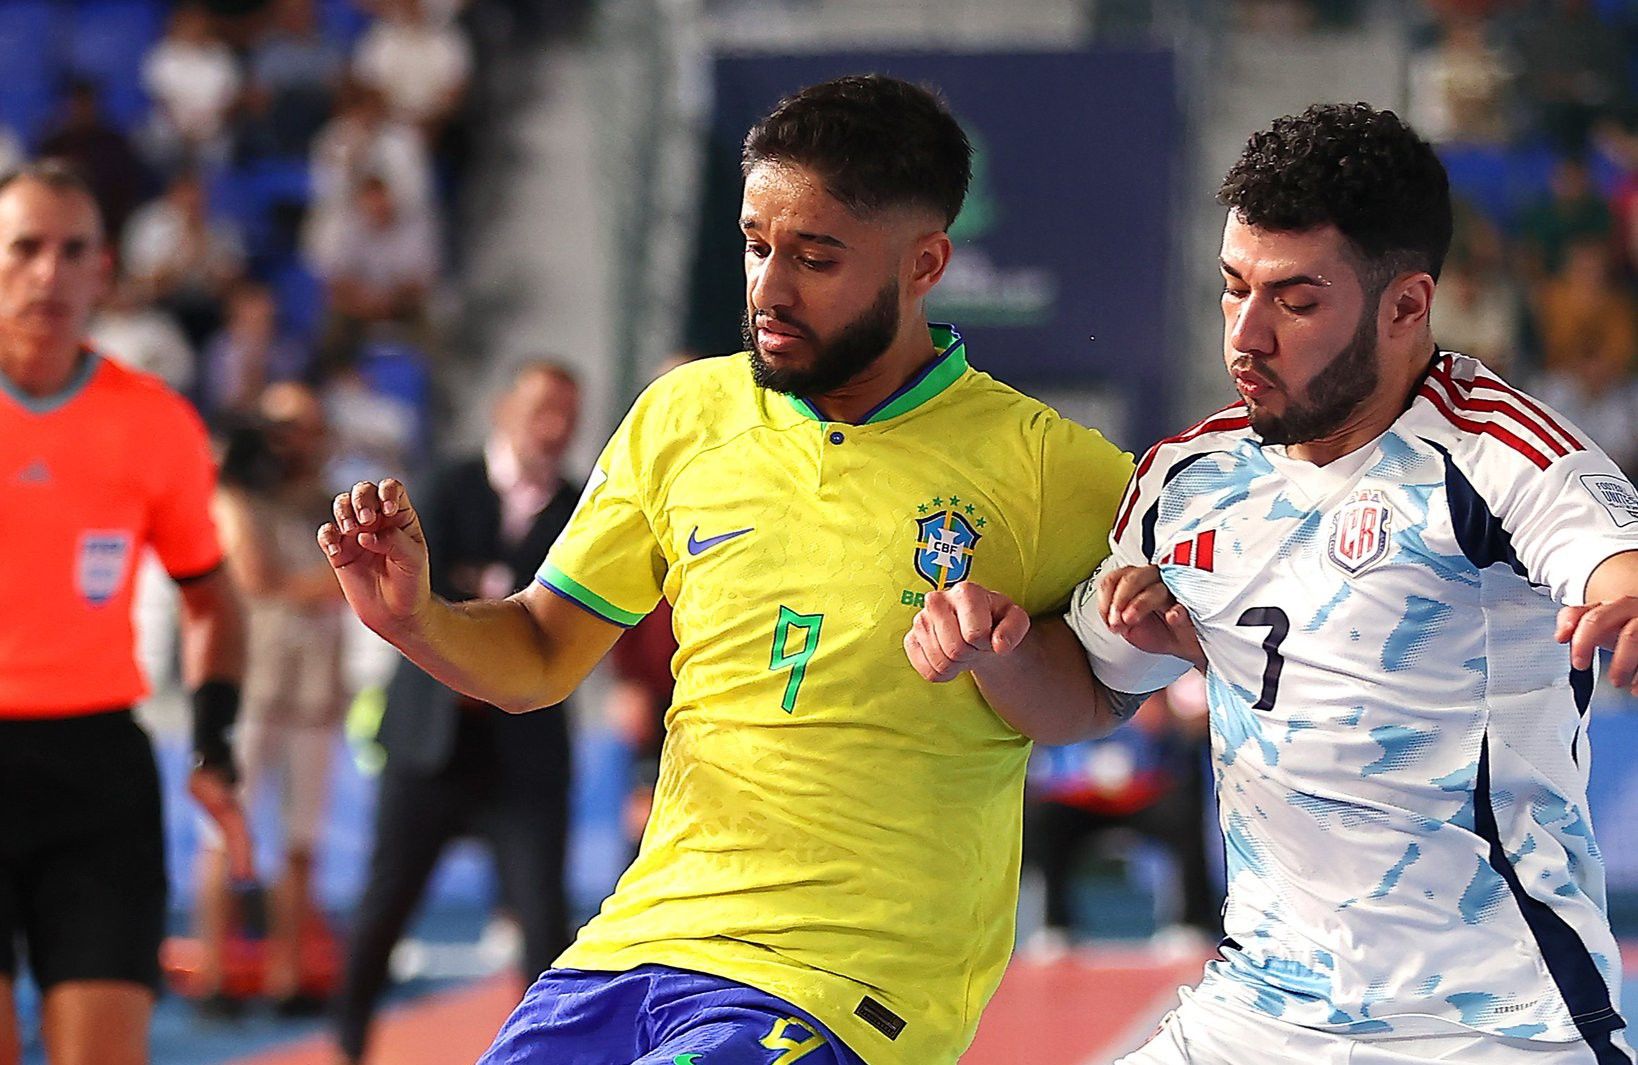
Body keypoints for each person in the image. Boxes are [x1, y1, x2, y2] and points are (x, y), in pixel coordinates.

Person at [317, 74, 1134, 1065]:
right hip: (637, 943)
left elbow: (1095, 698)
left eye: (816, 258)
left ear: (925, 265)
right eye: (756, 245)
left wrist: (1008, 650)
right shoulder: (683, 416)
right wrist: (416, 619)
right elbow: (538, 651)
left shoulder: (1052, 469)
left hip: (845, 979)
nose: (769, 290)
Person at [905, 103, 1638, 1064]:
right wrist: (995, 648)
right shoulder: (1187, 478)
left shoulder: (1495, 451)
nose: (1245, 335)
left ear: (1408, 306)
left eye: (1295, 300)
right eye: (1232, 288)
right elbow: (1081, 694)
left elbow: (1608, 557)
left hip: (1491, 1026)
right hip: (1255, 1011)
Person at [0, 160, 250, 1065]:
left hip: (97, 771)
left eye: (73, 252)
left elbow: (213, 599)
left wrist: (212, 743)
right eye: (24, 248)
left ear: (104, 271)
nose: (47, 273)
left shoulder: (152, 422)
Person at [329, 361, 584, 1064]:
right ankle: (347, 1048)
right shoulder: (442, 486)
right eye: (542, 410)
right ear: (505, 409)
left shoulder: (583, 508)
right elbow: (416, 602)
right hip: (429, 746)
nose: (556, 428)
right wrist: (483, 633)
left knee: (544, 929)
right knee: (382, 912)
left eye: (568, 413)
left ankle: (544, 1056)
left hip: (525, 752)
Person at [196, 383, 346, 1015]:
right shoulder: (235, 496)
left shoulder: (324, 501)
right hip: (249, 688)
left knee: (301, 840)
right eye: (285, 427)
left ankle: (288, 975)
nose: (297, 441)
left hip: (315, 691)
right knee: (225, 830)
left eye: (308, 427)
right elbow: (260, 578)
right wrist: (342, 576)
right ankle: (212, 976)